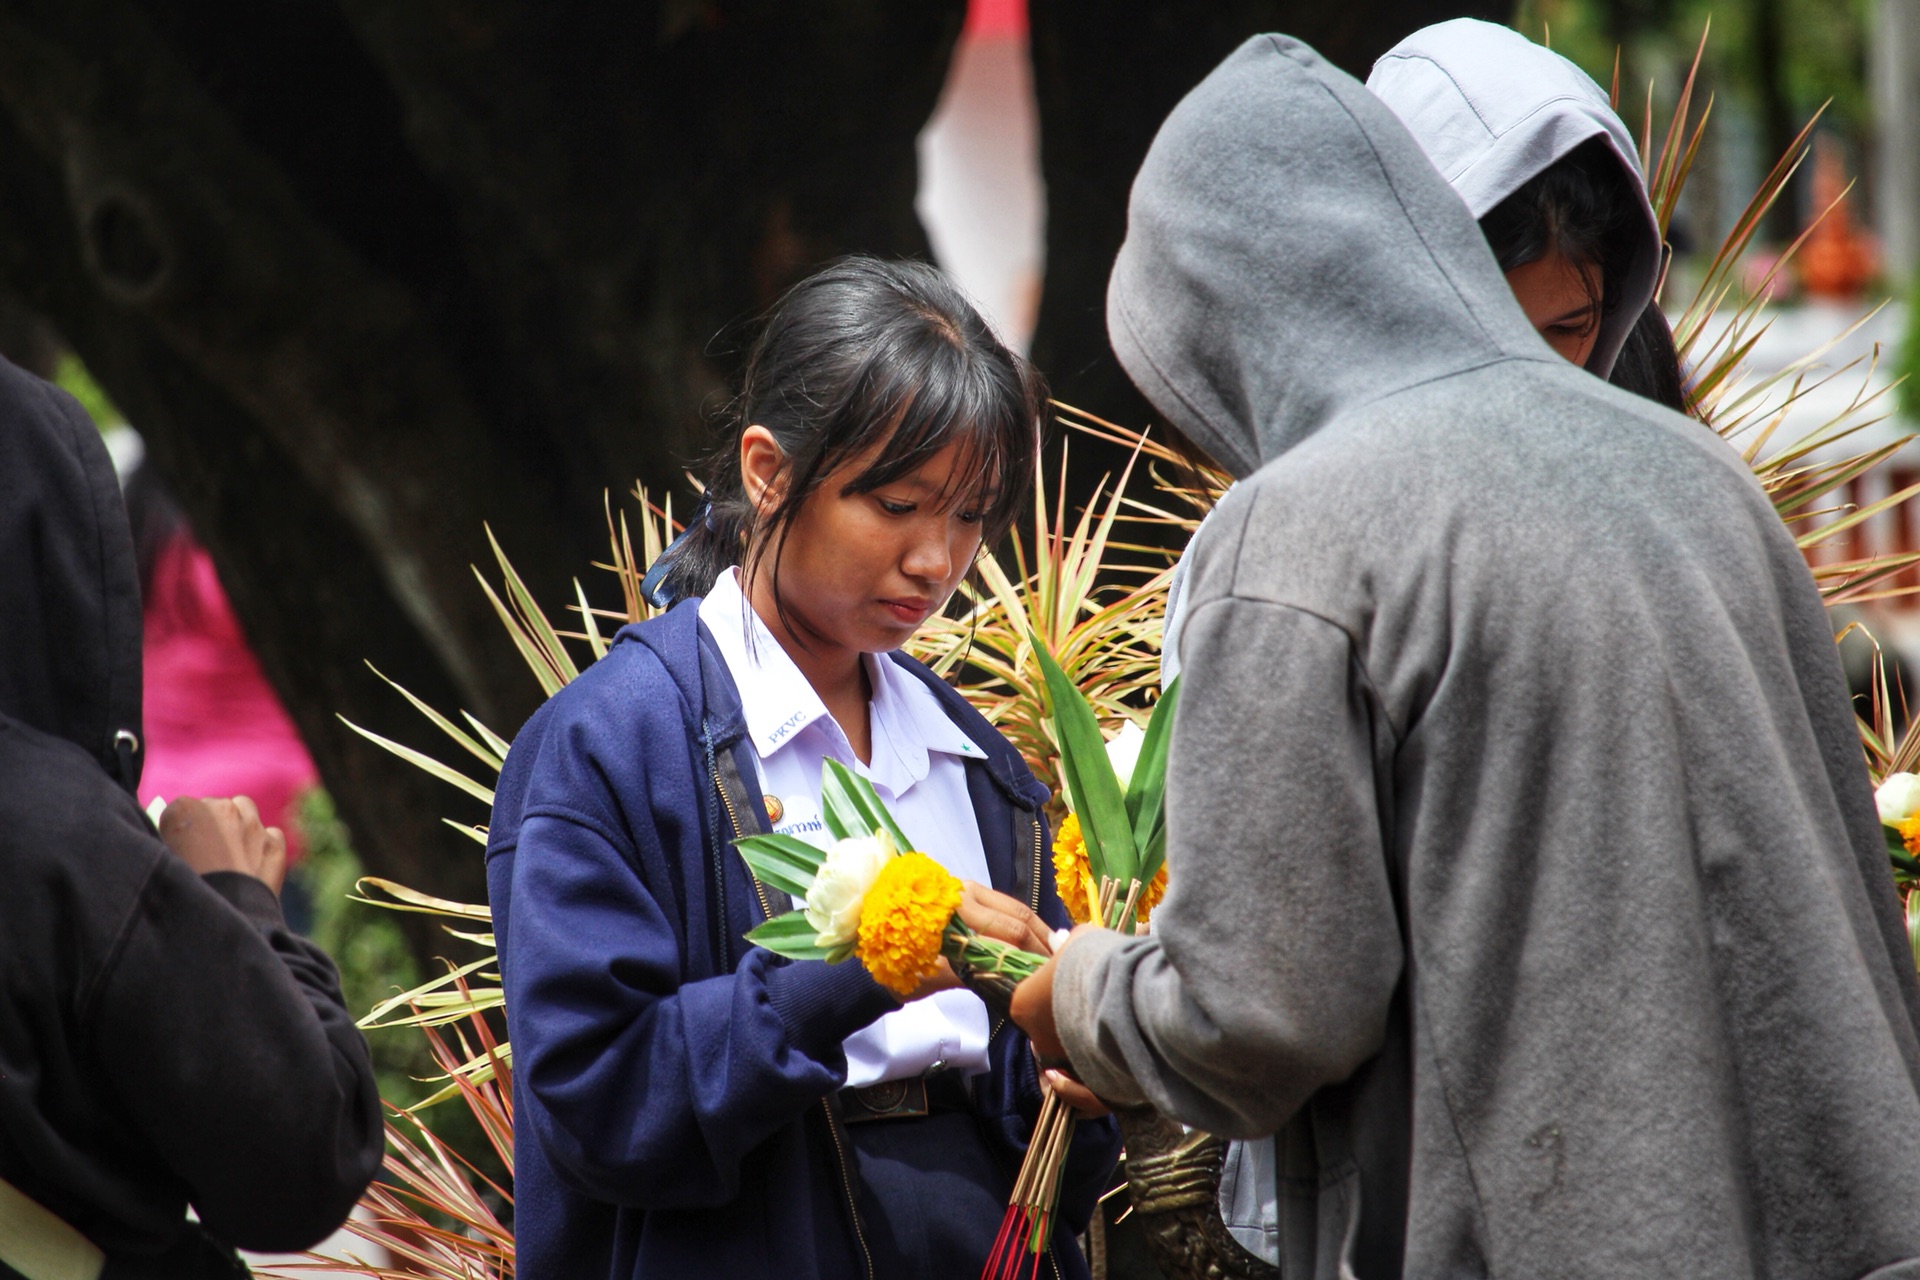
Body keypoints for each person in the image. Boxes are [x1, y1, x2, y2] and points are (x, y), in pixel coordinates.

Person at [1011, 33, 1920, 1280]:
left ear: (1215, 320)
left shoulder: (1294, 533)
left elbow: (1261, 1015)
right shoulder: (1699, 475)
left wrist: (1074, 992)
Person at [487, 256, 1120, 1280]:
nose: (936, 559)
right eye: (900, 504)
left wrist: (1084, 1062)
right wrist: (863, 962)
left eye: (968, 516)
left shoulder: (984, 764)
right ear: (766, 472)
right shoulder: (609, 746)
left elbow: (1049, 1126)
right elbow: (602, 1100)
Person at [0, 355, 383, 1277]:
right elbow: (300, 1157)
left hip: (172, 790)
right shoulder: (55, 841)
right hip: (229, 824)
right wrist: (241, 906)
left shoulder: (146, 512)